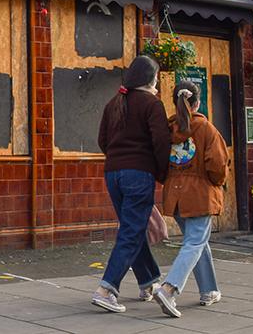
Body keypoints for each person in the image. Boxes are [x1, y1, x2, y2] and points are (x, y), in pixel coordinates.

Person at [91, 56, 171, 313]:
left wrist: (118, 158)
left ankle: (148, 281)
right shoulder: (152, 104)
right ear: (150, 78)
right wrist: (162, 173)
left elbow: (102, 140)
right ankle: (106, 288)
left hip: (113, 173)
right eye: (156, 76)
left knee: (132, 228)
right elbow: (161, 143)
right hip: (139, 173)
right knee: (131, 231)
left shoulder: (114, 103)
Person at [152, 80, 229, 318]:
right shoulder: (206, 129)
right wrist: (216, 184)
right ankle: (169, 288)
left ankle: (209, 290)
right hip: (200, 195)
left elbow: (159, 162)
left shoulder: (167, 130)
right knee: (195, 242)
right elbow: (217, 166)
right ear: (197, 102)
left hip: (175, 195)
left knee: (196, 241)